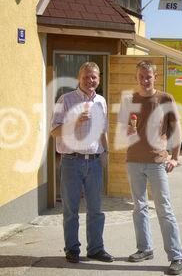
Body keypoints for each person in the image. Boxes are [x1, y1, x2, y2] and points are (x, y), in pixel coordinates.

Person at [121, 60, 182, 275]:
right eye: (141, 76)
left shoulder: (165, 98)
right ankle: (145, 248)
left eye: (148, 76)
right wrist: (128, 131)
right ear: (136, 77)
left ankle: (177, 256)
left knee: (164, 209)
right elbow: (125, 130)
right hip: (134, 161)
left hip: (157, 162)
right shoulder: (130, 99)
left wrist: (175, 158)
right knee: (138, 208)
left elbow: (176, 131)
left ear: (155, 77)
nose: (144, 80)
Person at [51, 62, 113, 263]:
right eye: (86, 77)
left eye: (94, 77)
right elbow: (53, 131)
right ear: (79, 78)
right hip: (71, 161)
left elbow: (103, 130)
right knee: (71, 210)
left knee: (96, 209)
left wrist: (106, 152)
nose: (90, 80)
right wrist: (74, 121)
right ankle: (72, 249)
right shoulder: (65, 99)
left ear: (99, 79)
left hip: (94, 162)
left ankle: (95, 249)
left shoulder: (101, 101)